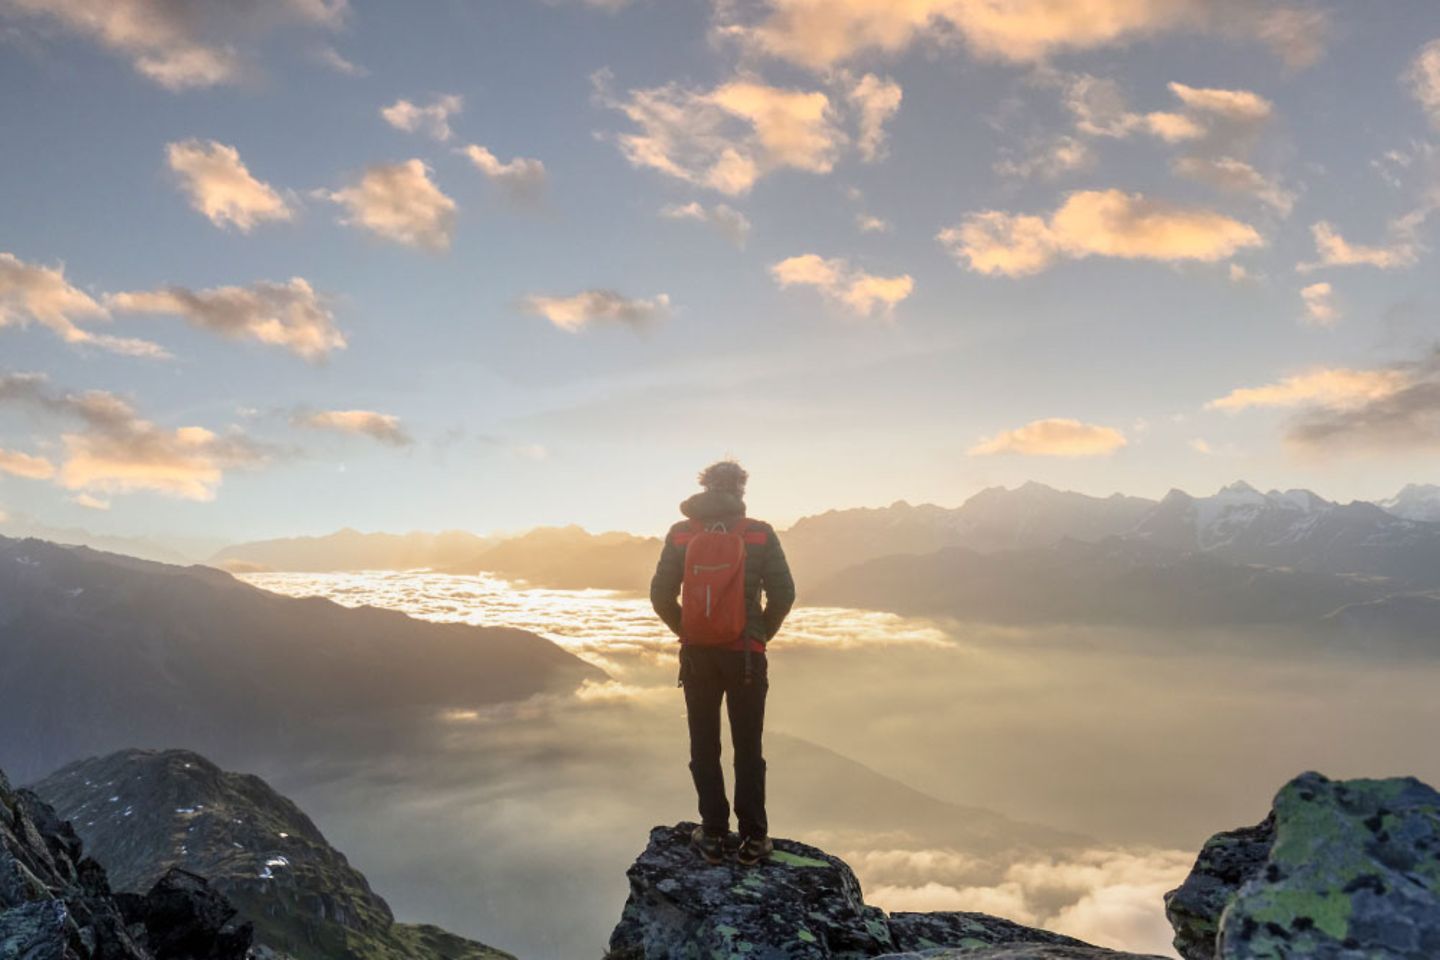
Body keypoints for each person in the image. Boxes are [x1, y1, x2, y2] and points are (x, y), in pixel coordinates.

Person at [650, 459, 795, 866]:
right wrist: (758, 633)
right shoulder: (759, 534)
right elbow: (784, 594)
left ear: (704, 488)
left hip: (697, 657)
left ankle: (712, 832)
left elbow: (660, 595)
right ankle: (753, 839)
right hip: (746, 656)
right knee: (748, 747)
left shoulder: (681, 534)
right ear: (740, 492)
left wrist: (689, 631)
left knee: (703, 742)